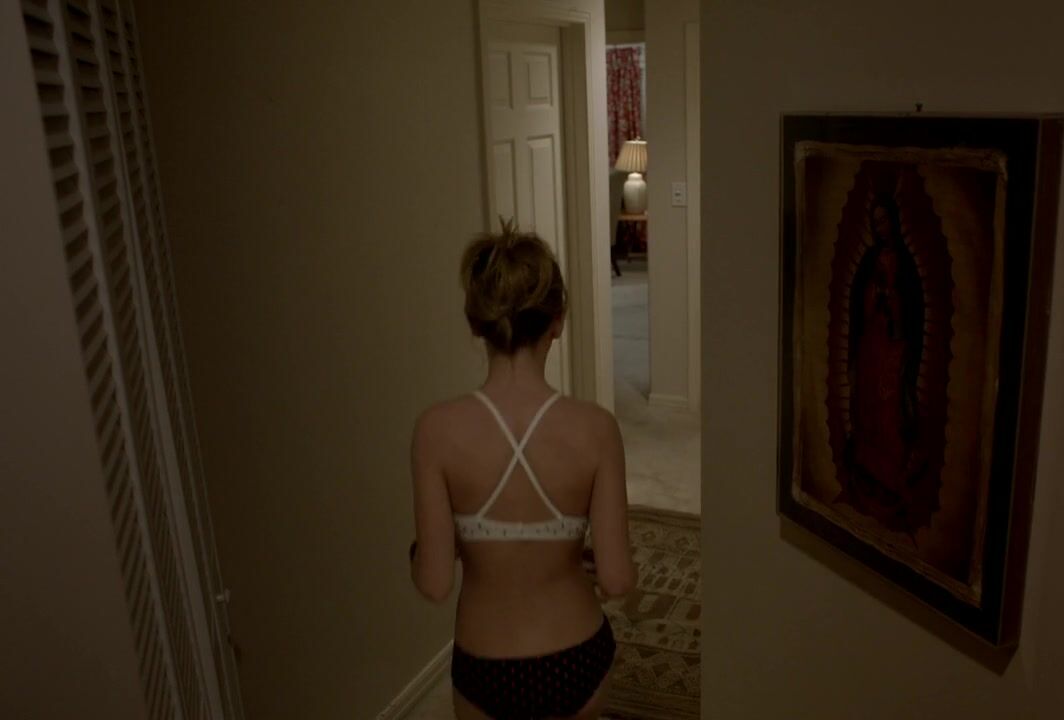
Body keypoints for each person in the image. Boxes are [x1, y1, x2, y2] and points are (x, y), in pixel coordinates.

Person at [408, 221, 636, 719]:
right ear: (558, 321)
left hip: (485, 667)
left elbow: (434, 583)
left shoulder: (435, 431)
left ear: (476, 323)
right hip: (577, 659)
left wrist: (426, 551)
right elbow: (617, 580)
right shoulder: (597, 429)